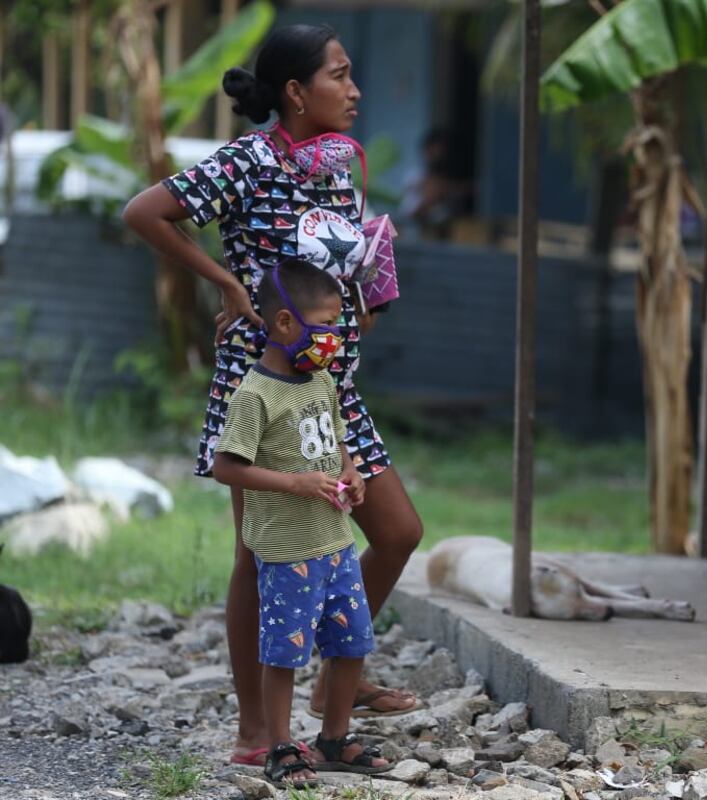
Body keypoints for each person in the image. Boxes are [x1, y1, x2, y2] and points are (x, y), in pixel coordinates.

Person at [122, 23, 424, 767]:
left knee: (397, 533)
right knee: (258, 555)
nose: (354, 91)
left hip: (330, 389)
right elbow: (144, 212)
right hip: (259, 386)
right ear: (296, 91)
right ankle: (257, 731)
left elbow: (336, 267)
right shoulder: (248, 161)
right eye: (340, 76)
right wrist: (225, 280)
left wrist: (364, 305)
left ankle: (329, 693)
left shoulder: (336, 166)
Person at [212, 259, 393, 788]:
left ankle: (334, 738)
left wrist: (351, 472)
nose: (333, 339)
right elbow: (227, 466)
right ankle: (281, 746)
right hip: (288, 551)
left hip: (336, 542)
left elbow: (336, 438)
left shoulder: (319, 382)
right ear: (286, 324)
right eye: (325, 327)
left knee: (351, 642)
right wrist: (294, 483)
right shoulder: (255, 394)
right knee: (285, 651)